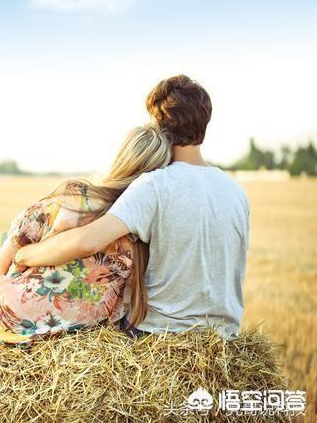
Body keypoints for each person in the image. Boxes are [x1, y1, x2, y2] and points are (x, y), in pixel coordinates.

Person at [14, 74, 250, 339]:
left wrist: (25, 255)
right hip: (225, 338)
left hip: (160, 333)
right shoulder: (236, 191)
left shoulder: (155, 186)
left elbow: (86, 242)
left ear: (159, 126)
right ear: (205, 123)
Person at [0, 124, 171, 345]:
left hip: (10, 323)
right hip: (79, 336)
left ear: (121, 158)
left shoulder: (73, 196)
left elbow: (2, 261)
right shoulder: (139, 229)